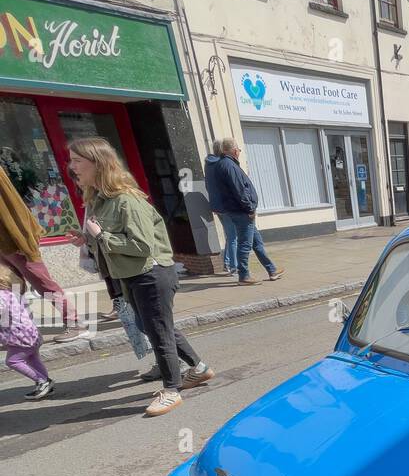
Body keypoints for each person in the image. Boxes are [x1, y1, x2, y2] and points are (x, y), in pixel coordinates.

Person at [66, 137, 214, 417]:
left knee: (158, 332)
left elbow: (142, 246)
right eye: (71, 160)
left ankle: (171, 390)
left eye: (77, 161)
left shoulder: (126, 200)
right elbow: (112, 239)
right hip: (130, 275)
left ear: (98, 163)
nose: (72, 167)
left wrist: (103, 237)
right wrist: (87, 238)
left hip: (151, 273)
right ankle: (199, 368)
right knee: (151, 326)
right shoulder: (99, 200)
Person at [0, 164, 86, 343]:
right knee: (9, 290)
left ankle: (75, 323)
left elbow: (13, 211)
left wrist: (26, 245)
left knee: (43, 285)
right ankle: (24, 332)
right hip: (5, 246)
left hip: (16, 243)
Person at [204, 139, 282, 284]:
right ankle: (244, 275)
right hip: (242, 211)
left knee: (256, 242)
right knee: (245, 244)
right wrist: (249, 208)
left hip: (236, 209)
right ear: (234, 151)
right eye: (239, 149)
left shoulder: (223, 165)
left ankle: (272, 269)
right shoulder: (229, 166)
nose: (239, 152)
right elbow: (239, 190)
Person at [0, 261, 54, 399]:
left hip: (20, 336)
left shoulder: (2, 296)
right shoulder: (13, 293)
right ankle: (46, 382)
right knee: (32, 358)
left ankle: (43, 381)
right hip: (29, 333)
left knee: (13, 361)